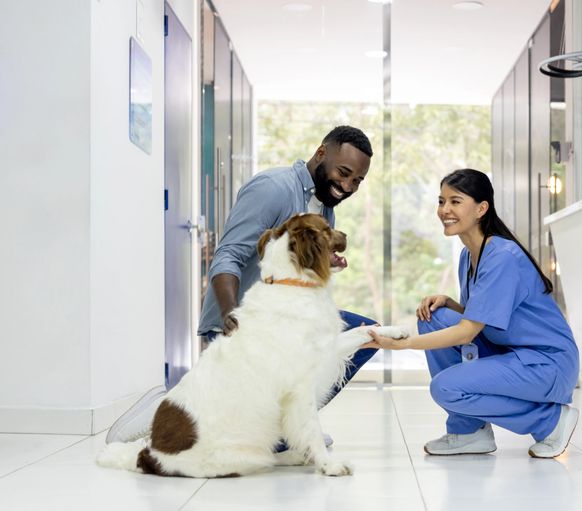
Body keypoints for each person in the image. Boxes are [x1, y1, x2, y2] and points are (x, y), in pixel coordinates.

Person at [106, 126, 378, 445]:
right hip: (245, 322)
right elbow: (229, 255)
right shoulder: (273, 188)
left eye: (357, 180)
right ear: (321, 153)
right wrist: (231, 315)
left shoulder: (325, 208)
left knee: (362, 334)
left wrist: (323, 261)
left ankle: (287, 426)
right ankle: (164, 408)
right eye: (343, 173)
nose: (347, 186)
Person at [364, 168, 580, 457]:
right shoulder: (469, 254)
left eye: (455, 201)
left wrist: (403, 344)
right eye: (441, 201)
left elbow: (468, 331)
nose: (445, 210)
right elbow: (487, 313)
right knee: (434, 317)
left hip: (546, 363)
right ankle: (469, 432)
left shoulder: (502, 255)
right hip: (513, 351)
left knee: (446, 388)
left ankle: (549, 421)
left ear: (481, 209)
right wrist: (452, 304)